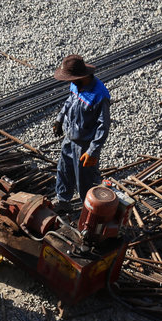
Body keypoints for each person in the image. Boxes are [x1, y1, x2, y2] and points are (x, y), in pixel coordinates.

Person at [52, 54, 111, 212]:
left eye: (71, 79)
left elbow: (103, 125)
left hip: (84, 146)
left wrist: (93, 151)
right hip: (70, 138)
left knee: (84, 180)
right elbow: (70, 102)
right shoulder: (76, 85)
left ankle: (88, 211)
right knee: (64, 170)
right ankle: (63, 202)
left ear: (80, 76)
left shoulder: (100, 95)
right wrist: (59, 119)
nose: (69, 83)